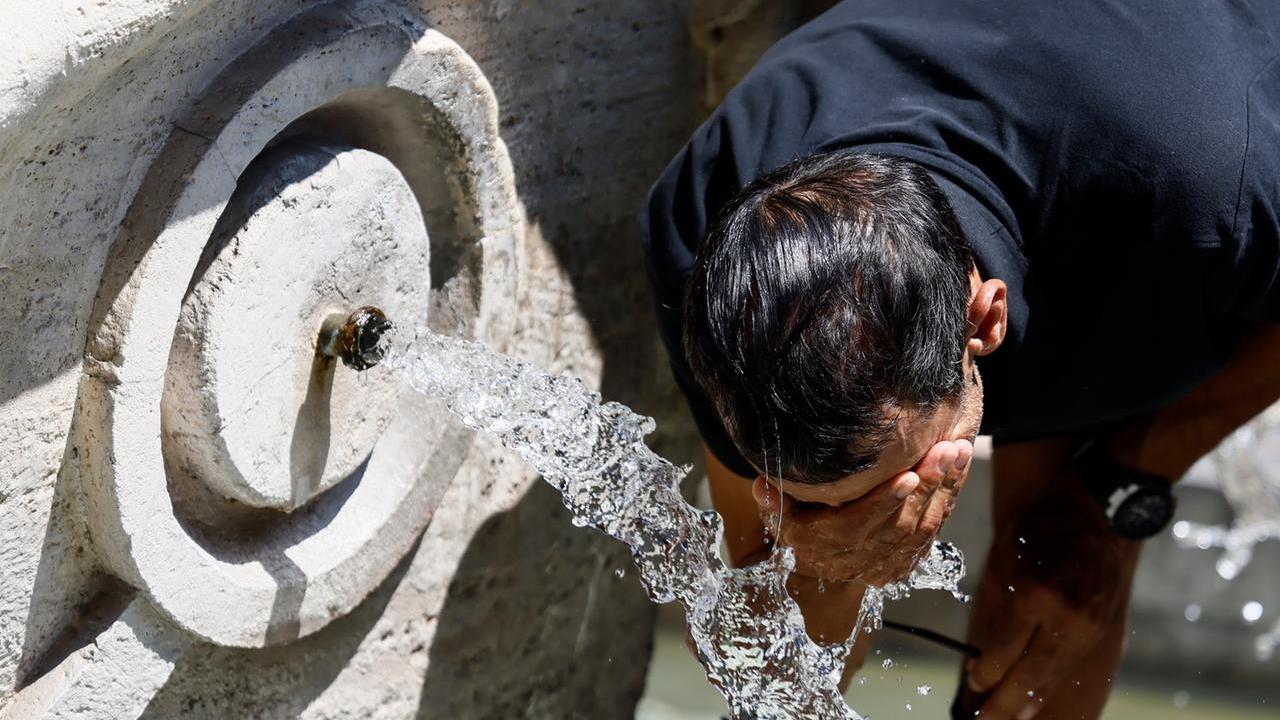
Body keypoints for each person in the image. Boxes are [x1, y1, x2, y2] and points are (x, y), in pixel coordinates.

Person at [639, 2, 1280, 718]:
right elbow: (776, 670)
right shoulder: (712, 253)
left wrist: (1112, 489)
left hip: (1152, 144)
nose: (869, 521)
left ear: (986, 319)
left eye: (893, 486)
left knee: (1057, 578)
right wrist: (829, 567)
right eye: (802, 503)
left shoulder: (1219, 194)